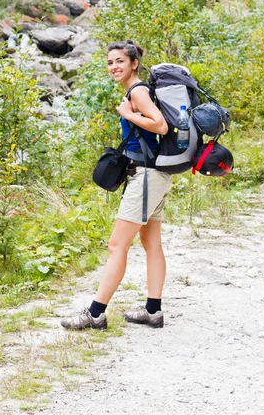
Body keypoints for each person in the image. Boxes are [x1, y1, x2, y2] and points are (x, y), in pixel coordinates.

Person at [61, 40, 172, 330]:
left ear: (134, 63)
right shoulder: (134, 91)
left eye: (120, 61)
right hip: (153, 175)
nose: (114, 67)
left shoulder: (138, 91)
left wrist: (127, 114)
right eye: (110, 62)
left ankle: (95, 313)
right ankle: (153, 311)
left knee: (116, 245)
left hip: (146, 177)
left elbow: (160, 125)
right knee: (151, 243)